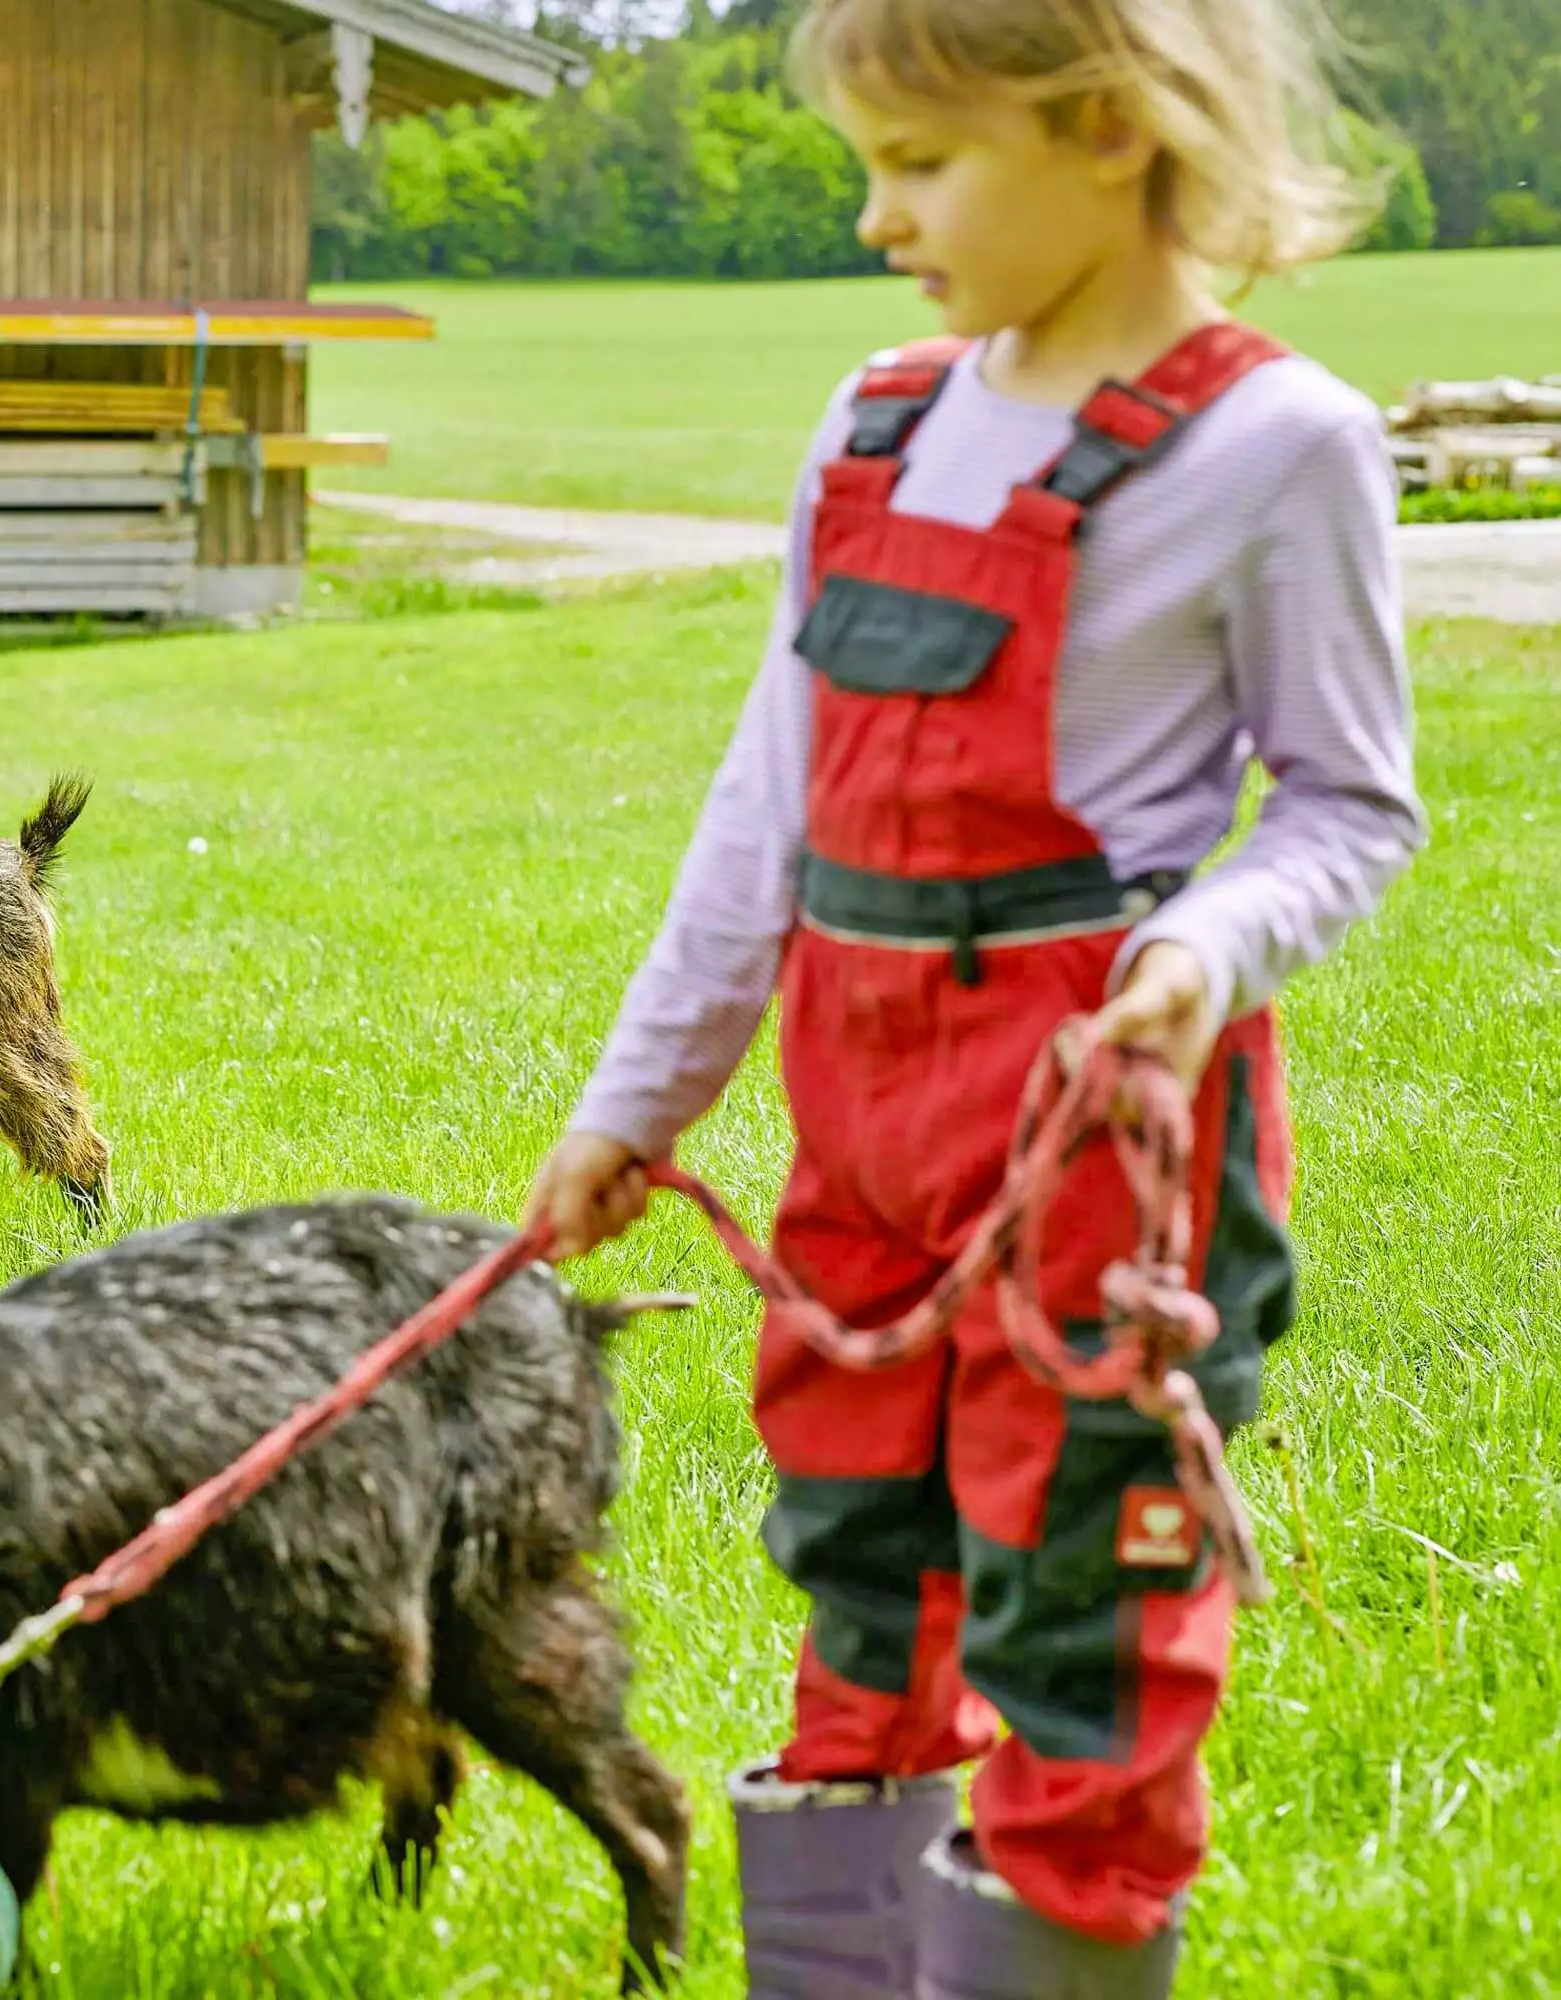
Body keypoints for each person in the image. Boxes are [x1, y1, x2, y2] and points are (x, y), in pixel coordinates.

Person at [518, 1, 1425, 1991]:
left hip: (1088, 1124)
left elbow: (1352, 807)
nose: (874, 218)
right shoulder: (875, 415)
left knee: (1081, 1594)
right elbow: (767, 805)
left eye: (918, 165)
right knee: (858, 1561)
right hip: (863, 1112)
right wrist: (638, 1100)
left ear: (1104, 126)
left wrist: (1206, 946)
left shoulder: (1279, 442)